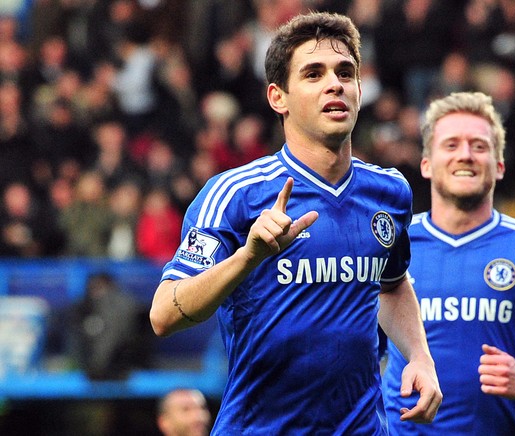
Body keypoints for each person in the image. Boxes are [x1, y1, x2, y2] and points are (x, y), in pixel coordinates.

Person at [149, 12, 442, 435]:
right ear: (278, 97)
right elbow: (164, 314)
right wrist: (248, 258)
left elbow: (393, 284)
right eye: (313, 74)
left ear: (360, 89)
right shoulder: (234, 193)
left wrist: (419, 356)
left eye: (346, 72)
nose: (334, 84)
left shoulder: (390, 191)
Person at [381, 91, 515, 435]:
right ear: (426, 164)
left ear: (499, 165)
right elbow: (355, 354)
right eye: (451, 145)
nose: (465, 155)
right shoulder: (392, 245)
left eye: (479, 146)